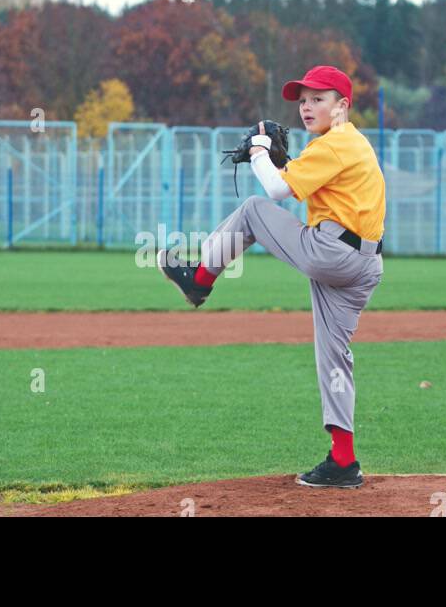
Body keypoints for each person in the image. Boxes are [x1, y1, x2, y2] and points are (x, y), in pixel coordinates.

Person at [157, 65, 386, 488]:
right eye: (302, 100)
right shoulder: (344, 145)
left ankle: (200, 279)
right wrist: (282, 162)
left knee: (252, 211)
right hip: (363, 264)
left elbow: (277, 191)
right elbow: (301, 181)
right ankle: (343, 461)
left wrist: (261, 150)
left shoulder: (336, 142)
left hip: (332, 253)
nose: (306, 107)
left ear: (343, 106)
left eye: (318, 98)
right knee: (334, 358)